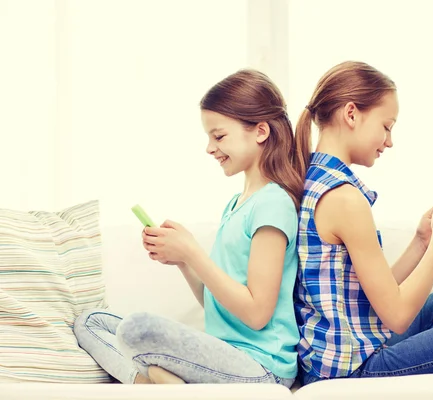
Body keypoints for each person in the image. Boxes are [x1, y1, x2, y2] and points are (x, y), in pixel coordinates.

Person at [292, 61, 433, 386]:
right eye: (386, 126)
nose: (389, 141)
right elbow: (397, 316)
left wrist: (421, 242)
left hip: (333, 359)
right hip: (353, 372)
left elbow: (370, 294)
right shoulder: (344, 198)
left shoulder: (312, 179)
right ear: (352, 114)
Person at [74, 69, 302, 387]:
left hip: (262, 368)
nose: (210, 148)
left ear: (260, 131)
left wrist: (193, 253)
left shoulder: (274, 203)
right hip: (225, 355)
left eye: (219, 136)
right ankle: (151, 383)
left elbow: (256, 313)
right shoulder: (236, 204)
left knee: (138, 329)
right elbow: (218, 306)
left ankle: (158, 382)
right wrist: (182, 260)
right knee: (90, 321)